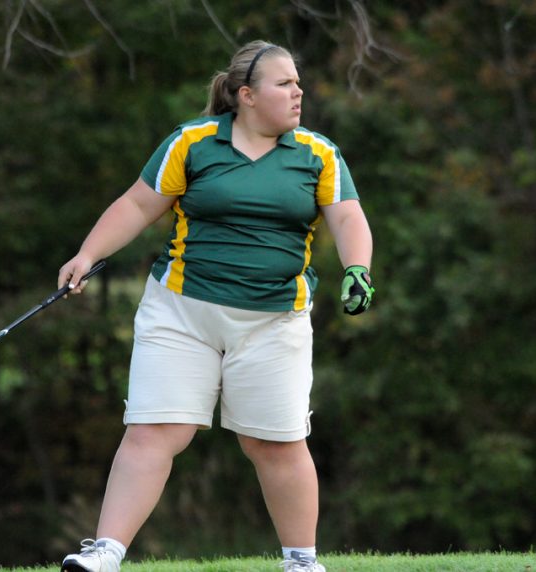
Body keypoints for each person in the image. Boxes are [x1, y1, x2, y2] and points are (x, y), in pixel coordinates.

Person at [57, 40, 374, 572]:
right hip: (182, 313)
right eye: (284, 83)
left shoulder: (317, 154)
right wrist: (87, 254)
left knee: (276, 443)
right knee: (154, 430)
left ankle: (301, 562)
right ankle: (105, 554)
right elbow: (138, 204)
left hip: (275, 321)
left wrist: (357, 269)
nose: (298, 92)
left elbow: (346, 217)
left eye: (298, 82)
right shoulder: (193, 142)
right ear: (246, 95)